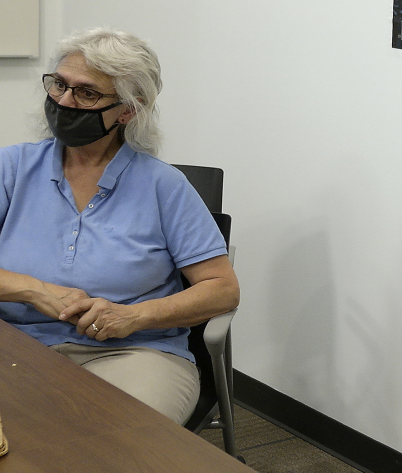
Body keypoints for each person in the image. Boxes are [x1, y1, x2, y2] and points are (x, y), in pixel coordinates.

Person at [0, 30, 240, 425]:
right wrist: (34, 290)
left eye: (86, 93)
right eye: (59, 84)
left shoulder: (163, 186)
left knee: (112, 447)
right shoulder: (13, 168)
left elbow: (222, 289)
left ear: (128, 110)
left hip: (134, 353)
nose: (63, 101)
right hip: (15, 341)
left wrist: (135, 316)